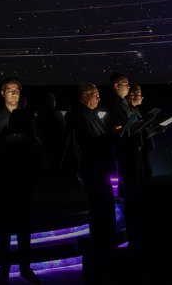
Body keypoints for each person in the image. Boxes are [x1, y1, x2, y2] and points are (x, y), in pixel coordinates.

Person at [0, 78, 42, 285]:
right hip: (4, 177)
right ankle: (5, 266)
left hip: (24, 177)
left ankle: (25, 267)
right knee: (5, 225)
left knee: (23, 224)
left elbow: (37, 144)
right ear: (2, 93)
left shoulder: (28, 117)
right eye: (9, 90)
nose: (13, 94)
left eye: (16, 90)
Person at [67, 83, 116, 282]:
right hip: (94, 169)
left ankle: (104, 243)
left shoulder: (89, 114)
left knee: (103, 205)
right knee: (99, 206)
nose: (98, 98)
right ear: (83, 96)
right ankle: (102, 245)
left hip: (98, 168)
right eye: (95, 95)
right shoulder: (81, 116)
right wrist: (112, 136)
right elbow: (90, 143)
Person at [107, 73, 146, 233]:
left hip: (133, 149)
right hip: (126, 151)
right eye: (126, 83)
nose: (128, 87)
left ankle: (136, 221)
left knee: (136, 188)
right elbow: (116, 129)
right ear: (116, 85)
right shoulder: (113, 104)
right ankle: (132, 226)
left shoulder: (123, 103)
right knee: (131, 189)